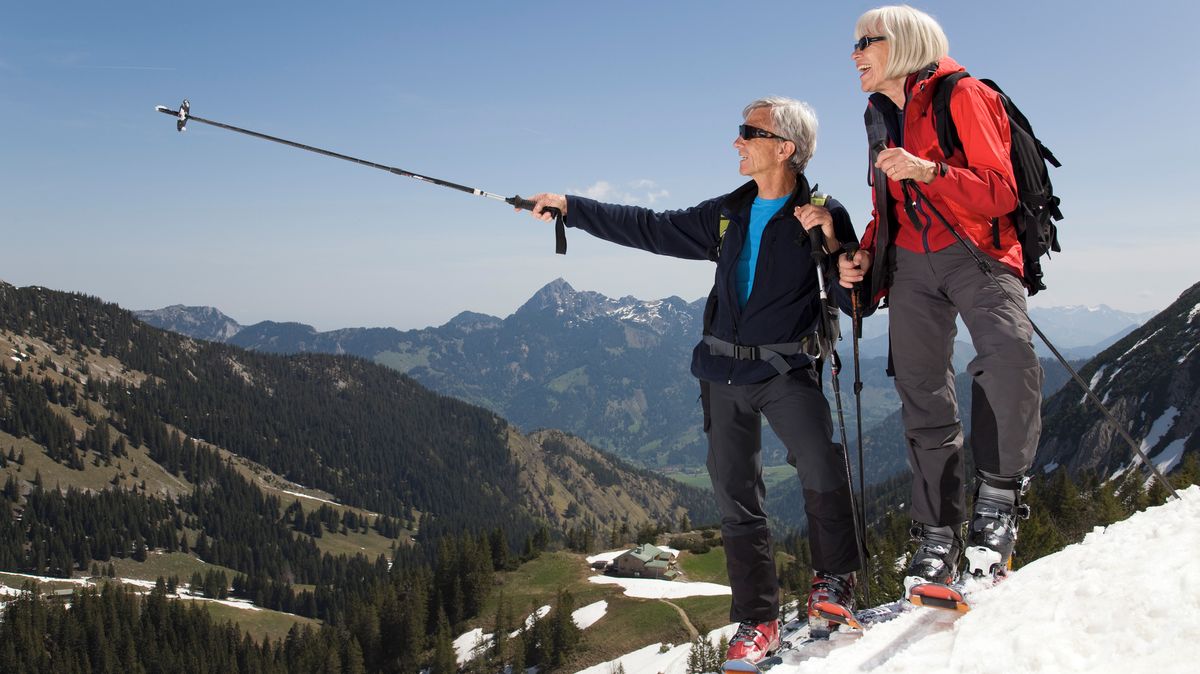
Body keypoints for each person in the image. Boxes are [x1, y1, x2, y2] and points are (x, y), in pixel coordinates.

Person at [522, 97, 863, 661]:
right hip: (722, 371)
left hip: (785, 369)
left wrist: (838, 248)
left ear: (786, 148)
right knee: (736, 495)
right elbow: (651, 227)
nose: (737, 141)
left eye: (749, 132)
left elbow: (854, 291)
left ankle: (833, 581)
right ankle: (758, 621)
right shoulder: (727, 212)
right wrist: (571, 208)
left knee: (821, 465)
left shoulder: (822, 212)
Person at [836, 5, 1043, 593]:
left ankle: (998, 504)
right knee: (920, 388)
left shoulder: (964, 94)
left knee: (1008, 357)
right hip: (910, 262)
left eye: (866, 41)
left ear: (904, 43)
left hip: (978, 251)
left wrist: (929, 171)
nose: (855, 53)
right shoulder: (877, 115)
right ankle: (937, 535)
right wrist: (864, 256)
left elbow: (1001, 192)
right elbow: (886, 207)